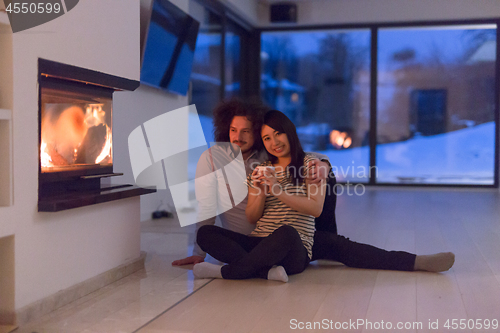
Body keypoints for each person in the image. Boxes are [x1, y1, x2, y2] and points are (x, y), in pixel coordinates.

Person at [172, 98, 455, 274]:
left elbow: (300, 156)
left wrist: (323, 164)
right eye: (233, 130)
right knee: (210, 234)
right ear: (224, 130)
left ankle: (416, 262)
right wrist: (198, 252)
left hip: (296, 234)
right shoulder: (220, 159)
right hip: (253, 238)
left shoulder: (266, 156)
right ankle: (262, 268)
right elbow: (214, 207)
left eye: (247, 131)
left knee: (342, 247)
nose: (239, 136)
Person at [192, 110, 327, 282]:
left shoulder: (306, 163)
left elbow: (316, 209)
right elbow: (252, 217)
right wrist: (261, 193)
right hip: (259, 241)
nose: (274, 142)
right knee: (205, 233)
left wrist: (324, 166)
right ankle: (265, 272)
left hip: (292, 248)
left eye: (245, 131)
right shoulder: (262, 166)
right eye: (267, 138)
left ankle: (226, 272)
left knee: (287, 233)